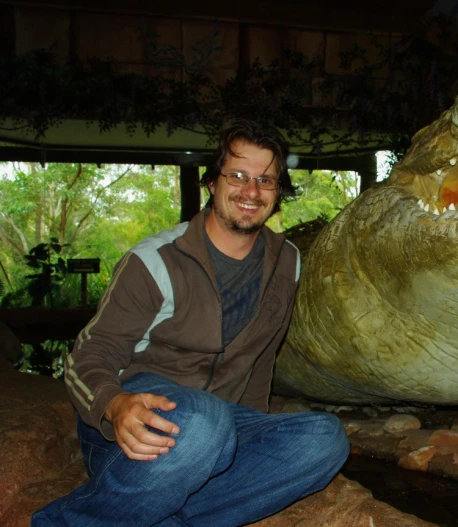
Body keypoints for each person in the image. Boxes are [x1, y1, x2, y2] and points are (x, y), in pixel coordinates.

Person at [32, 119, 349, 527]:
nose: (251, 192)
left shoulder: (287, 261)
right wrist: (113, 405)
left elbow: (260, 360)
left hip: (223, 424)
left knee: (325, 438)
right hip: (137, 422)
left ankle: (160, 514)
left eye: (265, 180)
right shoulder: (155, 260)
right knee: (204, 422)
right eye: (237, 175)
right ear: (212, 183)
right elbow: (86, 355)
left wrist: (259, 434)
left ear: (278, 193)